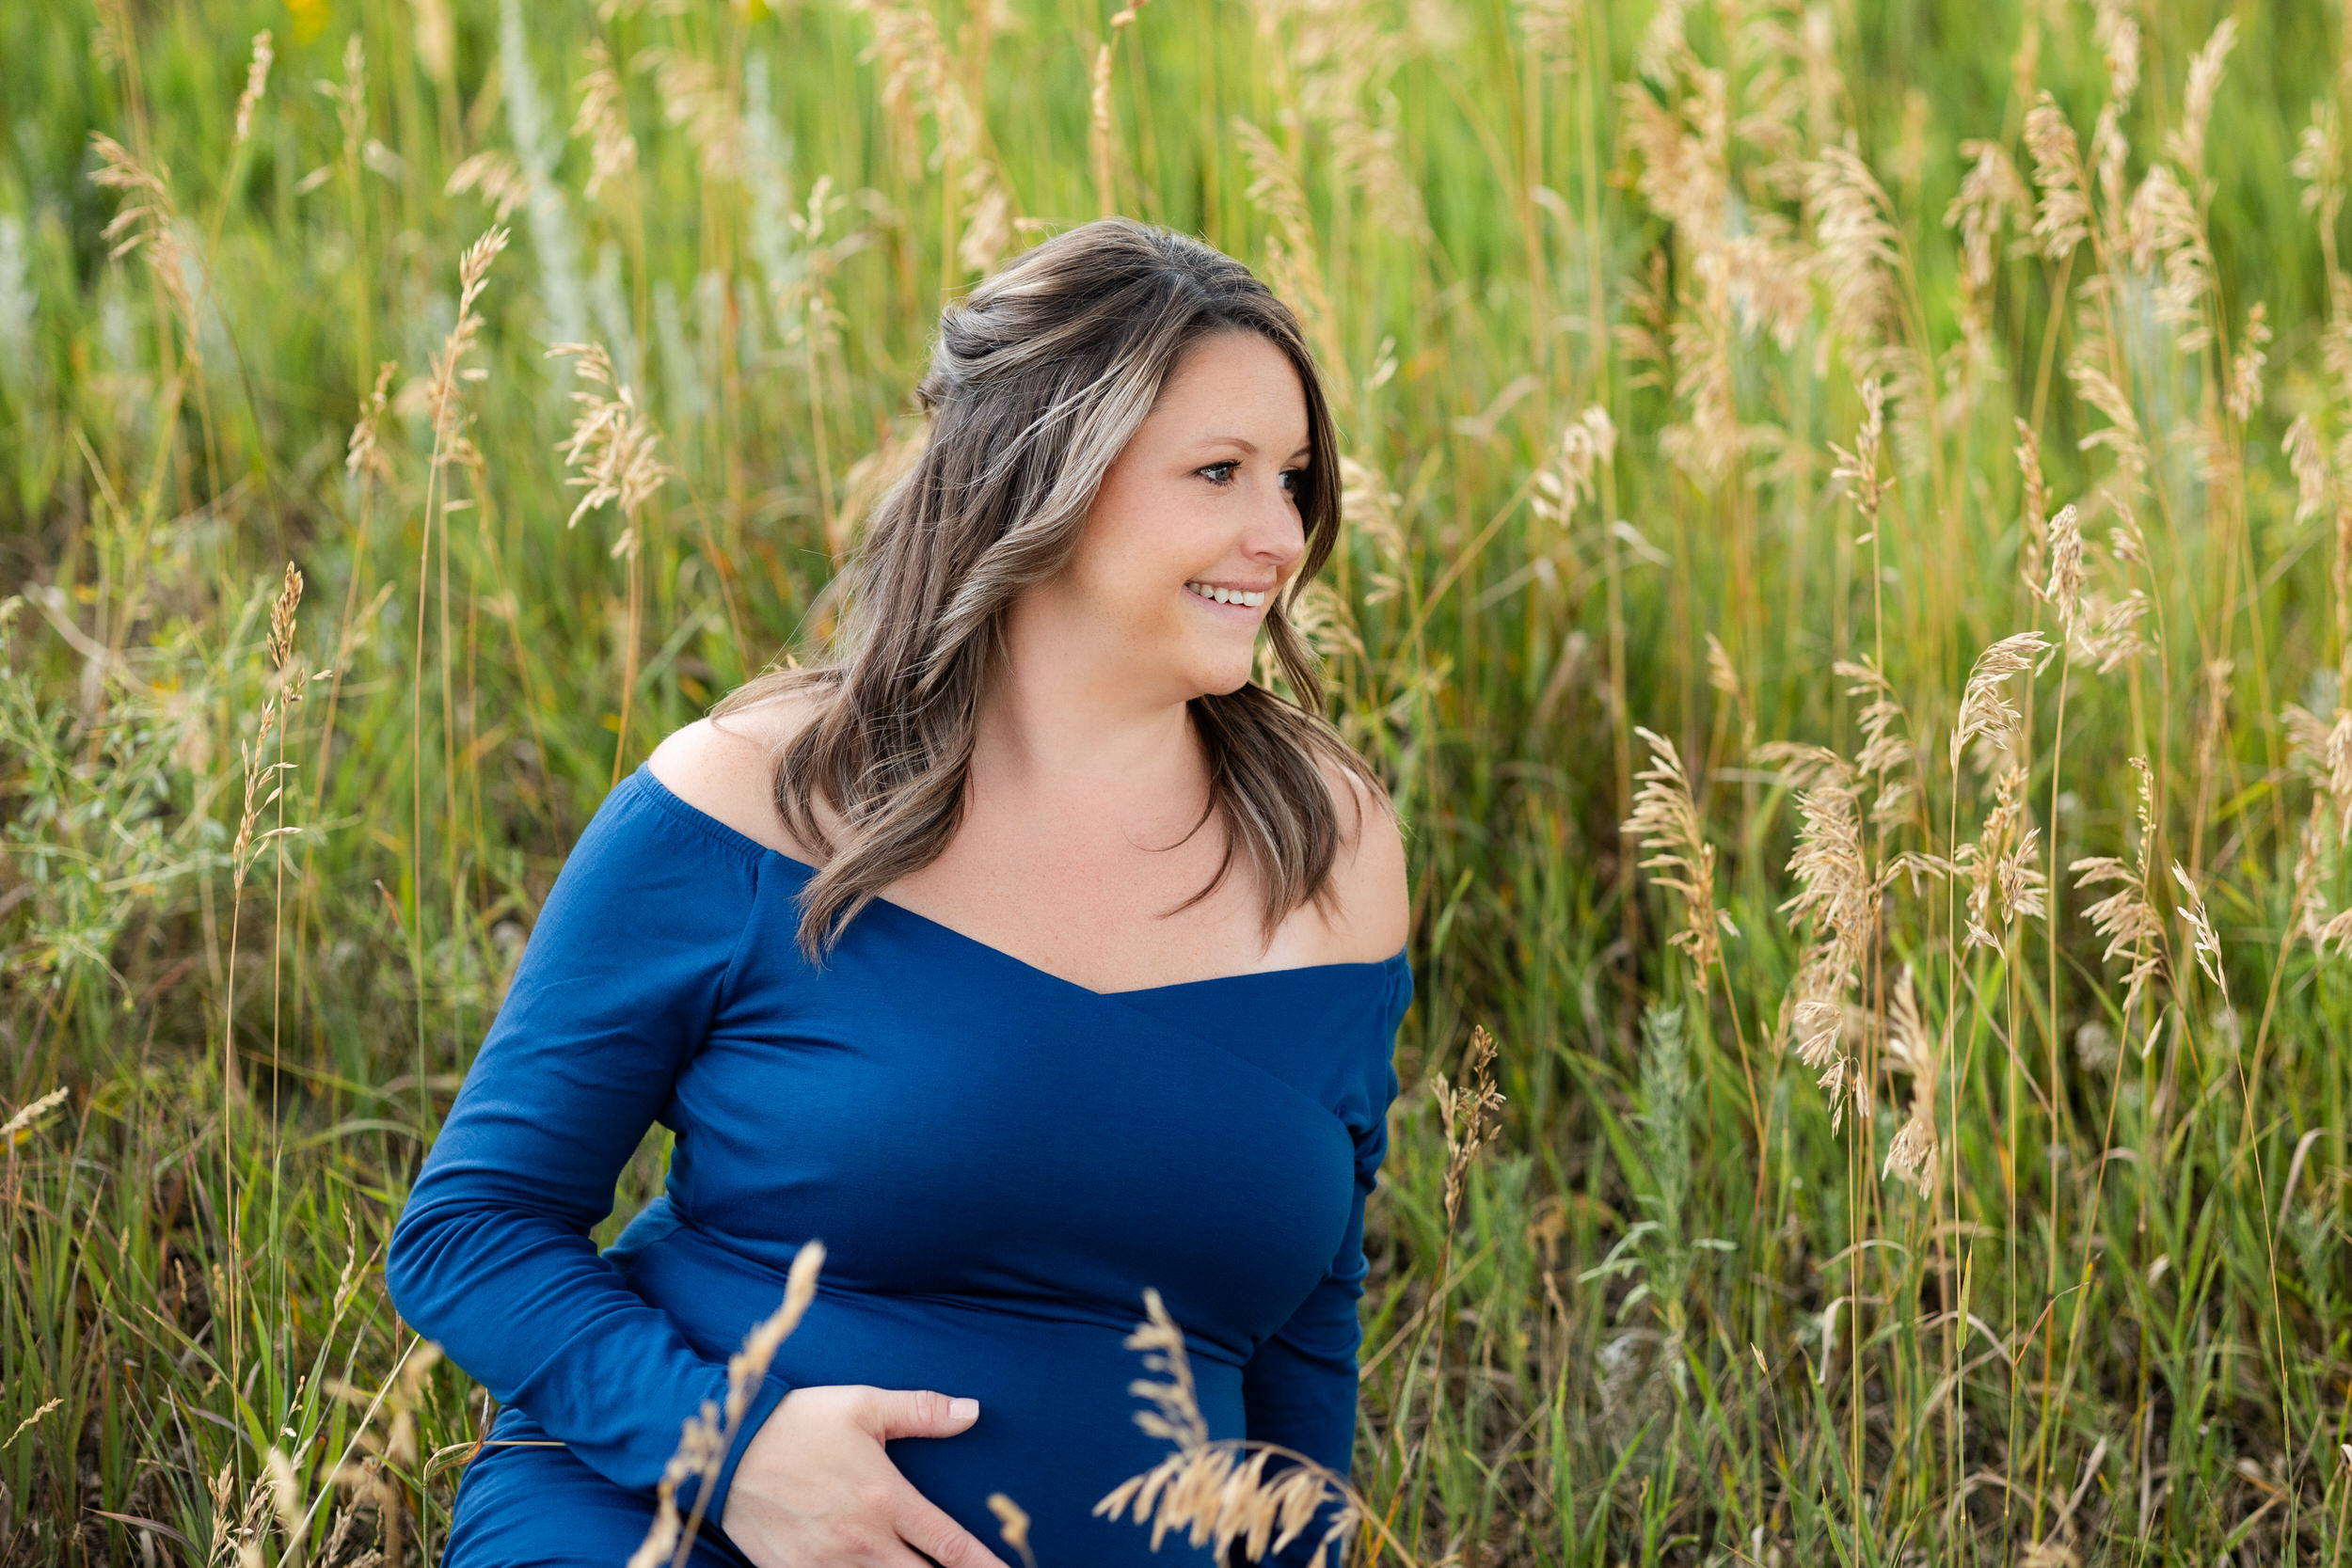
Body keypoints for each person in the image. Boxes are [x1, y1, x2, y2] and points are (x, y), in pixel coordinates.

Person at [385, 215, 1415, 1568]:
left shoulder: (1327, 846)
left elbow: (1304, 1320)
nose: (1278, 535)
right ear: (1040, 475)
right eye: (1218, 471)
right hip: (670, 1525)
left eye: (1291, 479)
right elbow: (470, 1231)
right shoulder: (752, 798)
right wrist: (730, 1450)